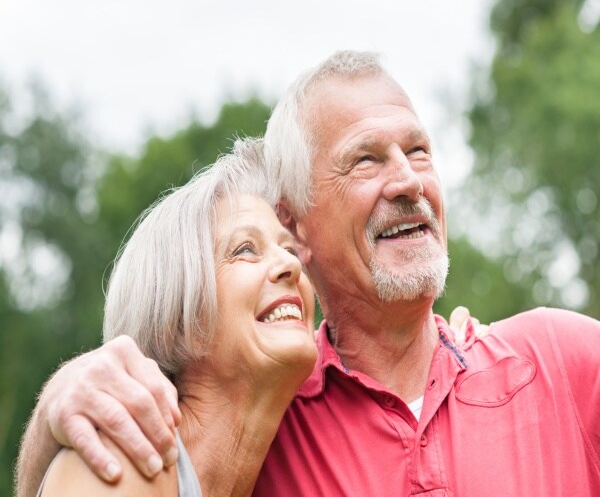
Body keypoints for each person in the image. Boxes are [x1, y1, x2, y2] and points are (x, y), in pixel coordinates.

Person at [18, 51, 600, 496]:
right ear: (298, 228)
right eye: (365, 159)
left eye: (419, 151)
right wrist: (55, 408)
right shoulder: (269, 413)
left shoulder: (557, 359)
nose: (408, 182)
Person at [32, 138, 317, 496]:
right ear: (181, 325)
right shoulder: (119, 468)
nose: (291, 264)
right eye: (245, 249)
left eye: (289, 249)